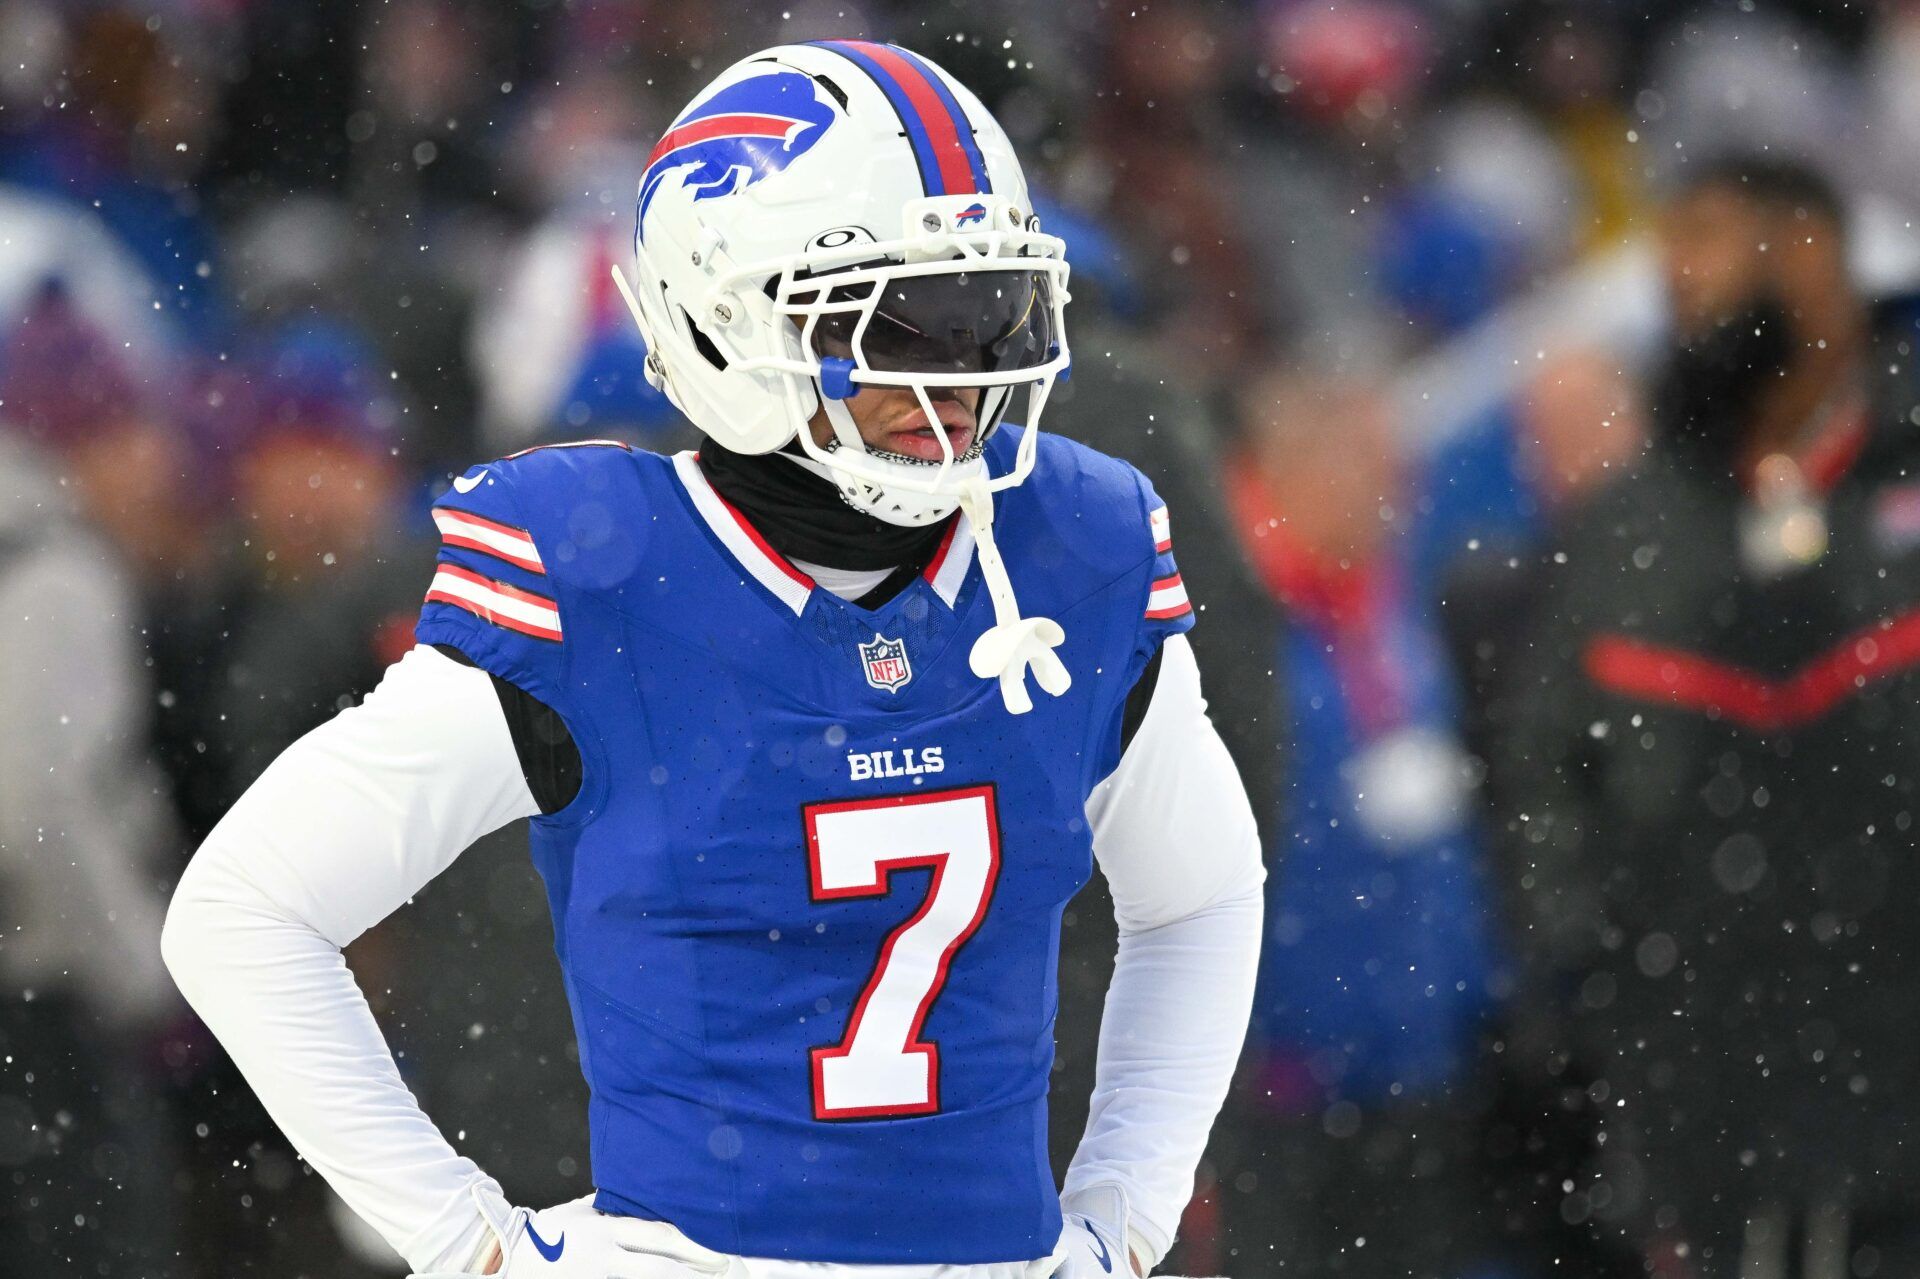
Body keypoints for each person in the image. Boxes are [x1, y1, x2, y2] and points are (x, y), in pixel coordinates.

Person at [163, 41, 1264, 1279]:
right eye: (904, 321)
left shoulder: (1073, 545)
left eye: (988, 314)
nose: (958, 376)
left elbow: (1204, 895)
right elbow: (243, 913)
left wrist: (1127, 1205)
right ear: (725, 318)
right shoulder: (603, 568)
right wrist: (466, 1241)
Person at [1494, 155, 1920, 1277]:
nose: (1680, 278)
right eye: (1669, 248)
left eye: (1711, 241)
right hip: (1707, 1111)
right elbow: (1544, 779)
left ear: (1814, 255)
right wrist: (1607, 993)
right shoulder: (1632, 522)